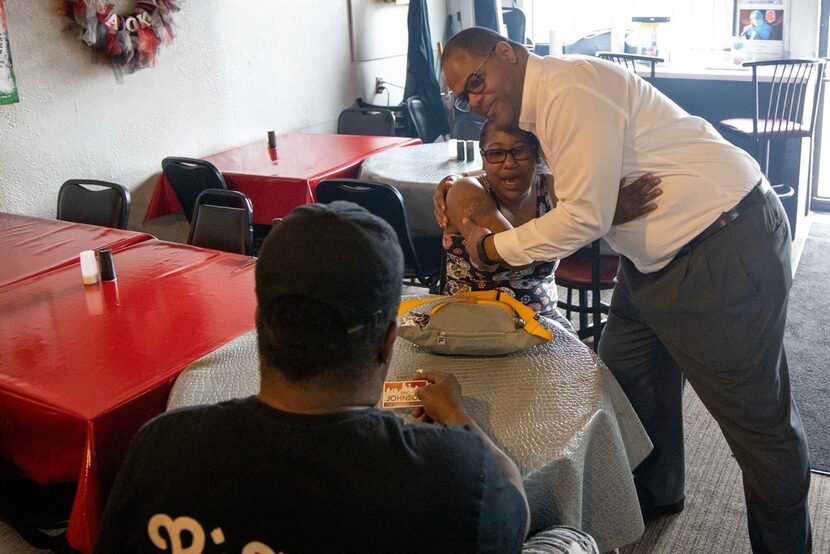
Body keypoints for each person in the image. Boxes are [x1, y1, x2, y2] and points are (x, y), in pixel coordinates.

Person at [437, 26, 811, 553]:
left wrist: (494, 249)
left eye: (475, 82)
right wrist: (461, 186)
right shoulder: (536, 111)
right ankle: (656, 492)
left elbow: (581, 217)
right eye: (462, 95)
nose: (473, 101)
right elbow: (538, 179)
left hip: (719, 244)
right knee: (630, 374)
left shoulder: (566, 91)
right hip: (651, 259)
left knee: (759, 425)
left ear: (508, 53)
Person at [96, 201, 599, 553]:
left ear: (260, 324)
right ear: (387, 341)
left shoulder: (161, 446)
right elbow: (513, 510)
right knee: (573, 541)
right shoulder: (452, 474)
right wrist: (458, 416)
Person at [441, 120, 661, 333]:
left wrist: (598, 216)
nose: (509, 163)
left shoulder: (552, 188)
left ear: (536, 155)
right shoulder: (465, 191)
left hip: (542, 319)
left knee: (580, 367)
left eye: (520, 151)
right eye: (496, 153)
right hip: (471, 322)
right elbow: (510, 253)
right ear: (483, 158)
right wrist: (598, 219)